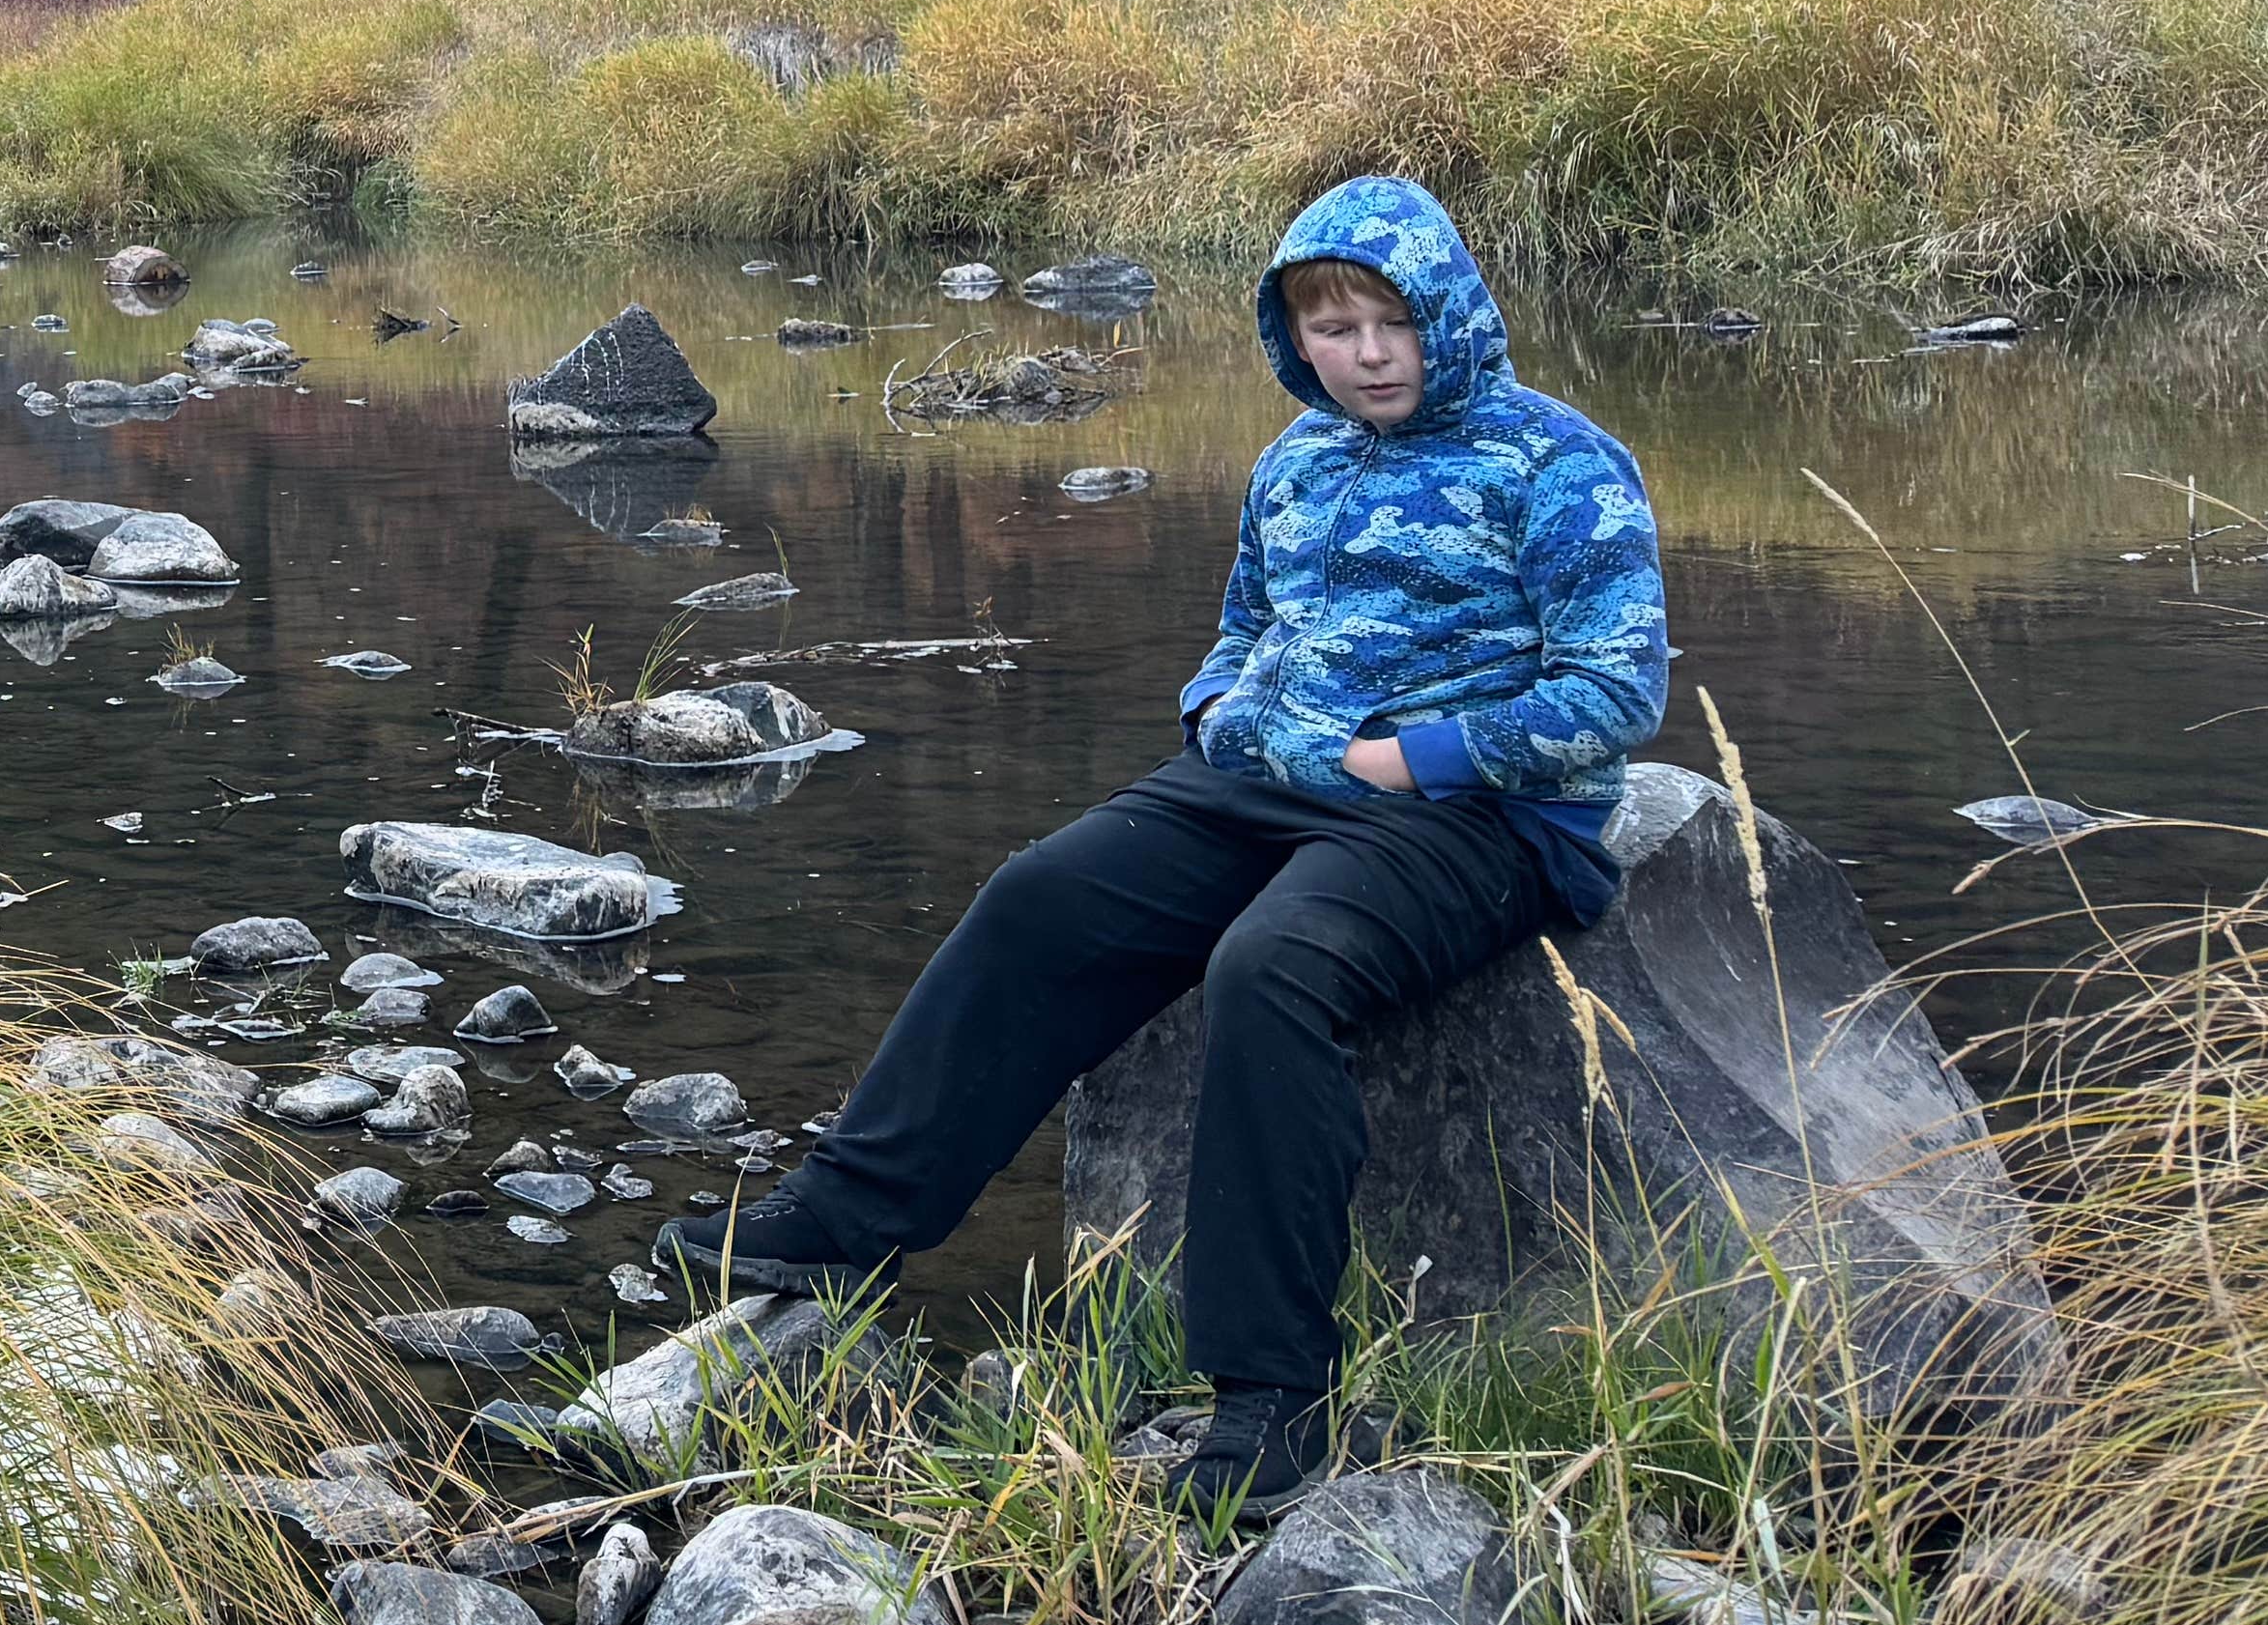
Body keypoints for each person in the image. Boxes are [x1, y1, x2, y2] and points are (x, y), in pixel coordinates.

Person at [653, 174, 1671, 1516]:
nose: (1365, 355)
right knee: (1040, 900)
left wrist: (1407, 757)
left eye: (1389, 324)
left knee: (1274, 969)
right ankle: (849, 1224)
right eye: (1333, 326)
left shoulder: (1559, 461)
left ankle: (1272, 1399)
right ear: (1292, 334)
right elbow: (1243, 634)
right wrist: (1216, 709)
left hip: (1475, 813)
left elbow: (1617, 692)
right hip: (1267, 776)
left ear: (1450, 315)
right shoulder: (1293, 464)